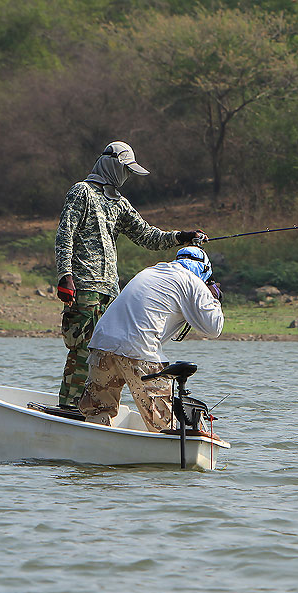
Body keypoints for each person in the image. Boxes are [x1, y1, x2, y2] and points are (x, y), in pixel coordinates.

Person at [55, 141, 206, 407]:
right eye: (125, 169)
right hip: (84, 287)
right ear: (112, 164)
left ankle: (89, 408)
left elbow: (147, 235)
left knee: (101, 352)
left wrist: (182, 236)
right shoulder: (82, 192)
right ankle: (69, 408)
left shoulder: (119, 203)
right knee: (81, 350)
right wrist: (65, 275)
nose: (126, 176)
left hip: (110, 292)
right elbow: (65, 233)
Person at [79, 246, 224, 431]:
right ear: (204, 270)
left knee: (98, 411)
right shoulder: (193, 281)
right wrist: (214, 297)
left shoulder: (151, 271)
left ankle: (96, 448)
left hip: (102, 343)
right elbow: (214, 328)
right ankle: (166, 456)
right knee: (163, 423)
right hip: (139, 348)